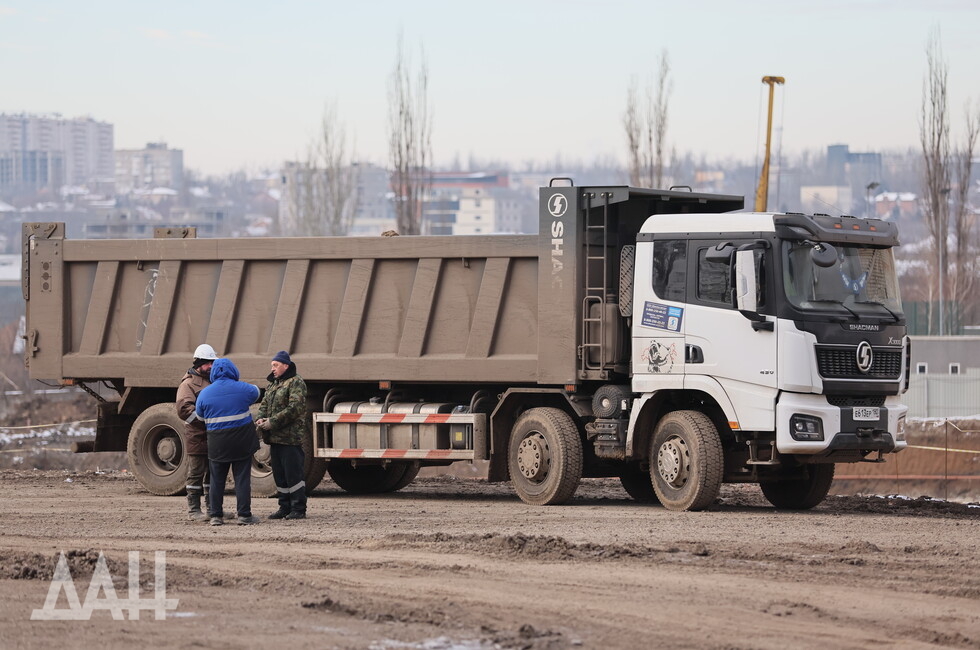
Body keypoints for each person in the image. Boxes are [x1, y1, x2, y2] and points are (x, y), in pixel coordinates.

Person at [195, 358, 261, 526]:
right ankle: (244, 515)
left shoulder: (204, 394)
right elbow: (257, 393)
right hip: (242, 442)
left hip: (217, 443)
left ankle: (216, 516)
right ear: (233, 371)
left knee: (217, 480)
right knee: (242, 478)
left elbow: (200, 417)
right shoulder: (244, 389)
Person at [255, 350, 309, 520]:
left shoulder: (296, 382)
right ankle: (284, 507)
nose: (273, 368)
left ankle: (298, 509)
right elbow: (264, 404)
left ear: (286, 365)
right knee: (280, 475)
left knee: (293, 475)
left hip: (290, 439)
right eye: (272, 365)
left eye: (276, 365)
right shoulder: (273, 384)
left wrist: (273, 422)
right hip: (275, 439)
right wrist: (261, 418)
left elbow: (295, 408)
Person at [176, 343, 218, 522]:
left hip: (212, 436)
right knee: (196, 473)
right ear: (199, 363)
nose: (211, 366)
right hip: (197, 437)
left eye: (212, 363)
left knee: (212, 473)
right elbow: (184, 409)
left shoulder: (213, 380)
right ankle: (194, 510)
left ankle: (211, 509)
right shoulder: (188, 384)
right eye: (208, 363)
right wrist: (205, 422)